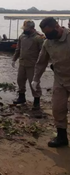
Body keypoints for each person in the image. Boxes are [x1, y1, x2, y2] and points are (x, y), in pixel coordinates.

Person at [32, 17, 70, 147]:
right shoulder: (48, 43)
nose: (48, 36)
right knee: (57, 108)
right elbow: (41, 62)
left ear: (57, 26)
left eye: (50, 33)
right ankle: (62, 137)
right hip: (60, 80)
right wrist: (35, 79)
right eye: (46, 34)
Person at [11, 20, 44, 109]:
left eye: (26, 28)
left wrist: (41, 64)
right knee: (20, 81)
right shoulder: (22, 37)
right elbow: (18, 49)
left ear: (31, 28)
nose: (24, 30)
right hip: (22, 63)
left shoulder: (38, 38)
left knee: (34, 83)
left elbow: (43, 52)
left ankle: (36, 102)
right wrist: (14, 59)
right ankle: (21, 98)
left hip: (33, 65)